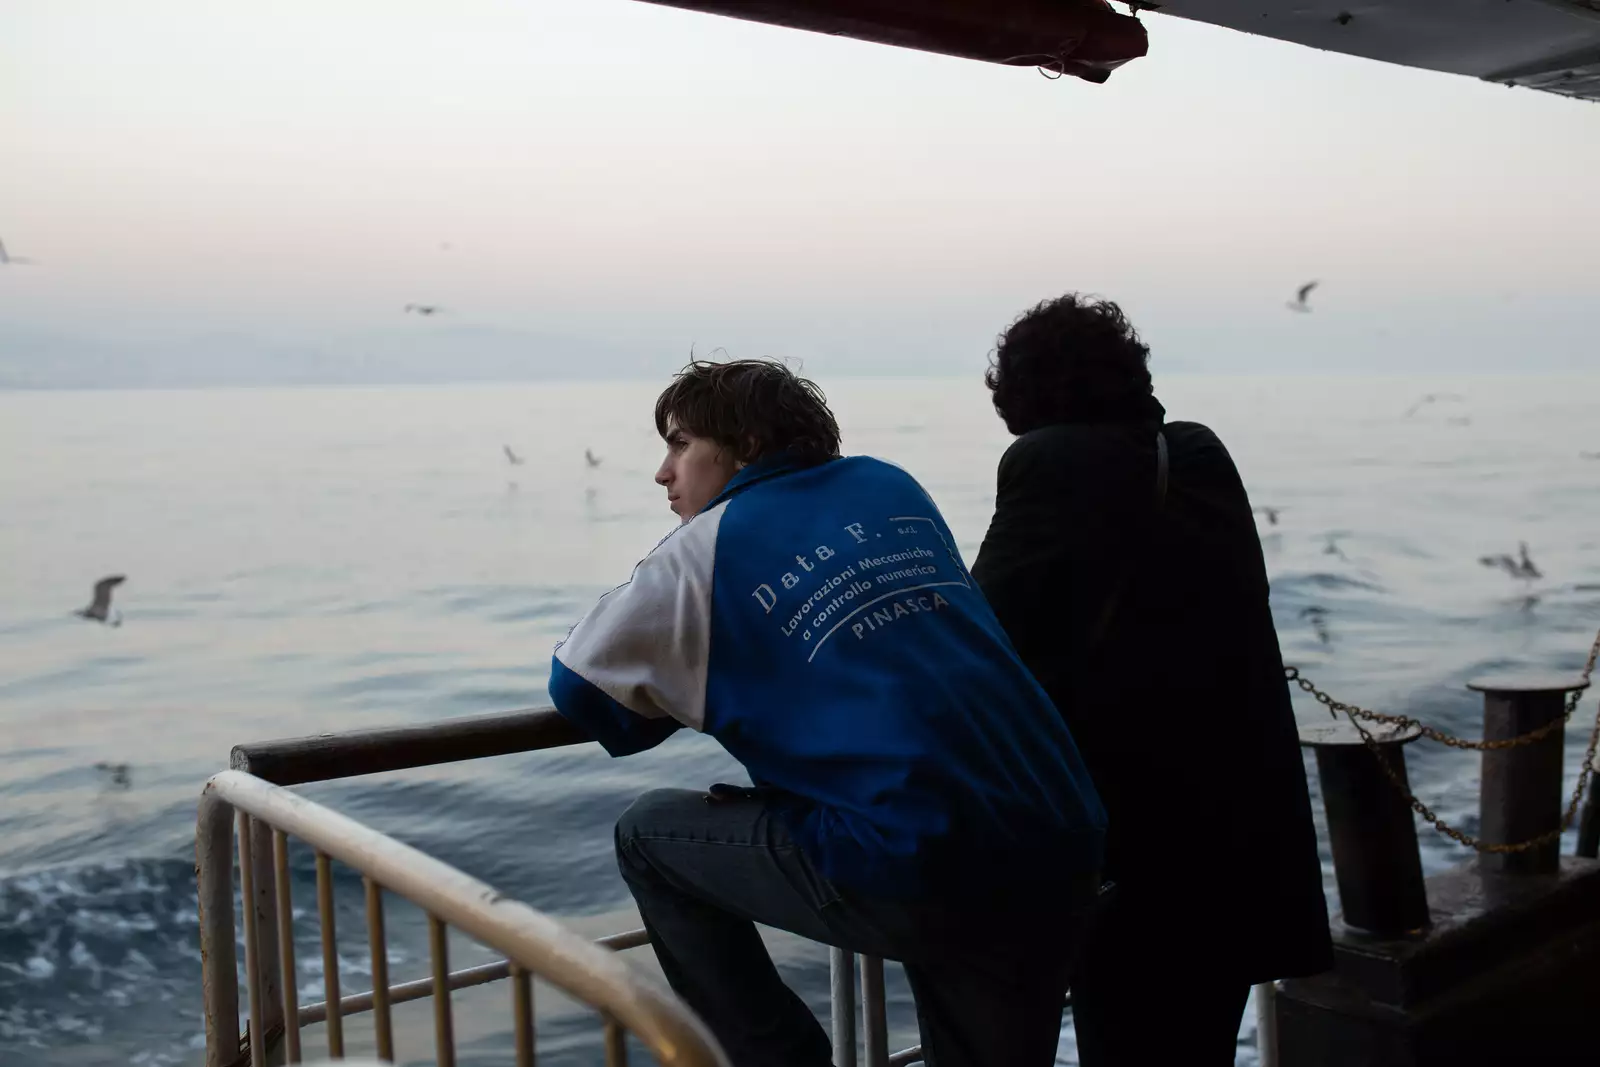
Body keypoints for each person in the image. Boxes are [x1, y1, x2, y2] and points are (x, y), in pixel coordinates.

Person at [548, 358, 1107, 1067]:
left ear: (745, 442)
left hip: (922, 859)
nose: (664, 472)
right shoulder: (886, 484)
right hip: (1058, 836)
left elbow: (583, 690)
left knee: (646, 838)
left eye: (681, 443)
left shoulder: (703, 549)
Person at [969, 294, 1333, 1065]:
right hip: (1245, 835)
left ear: (1025, 392)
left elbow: (980, 644)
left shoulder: (1048, 464)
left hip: (1144, 854)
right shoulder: (1197, 453)